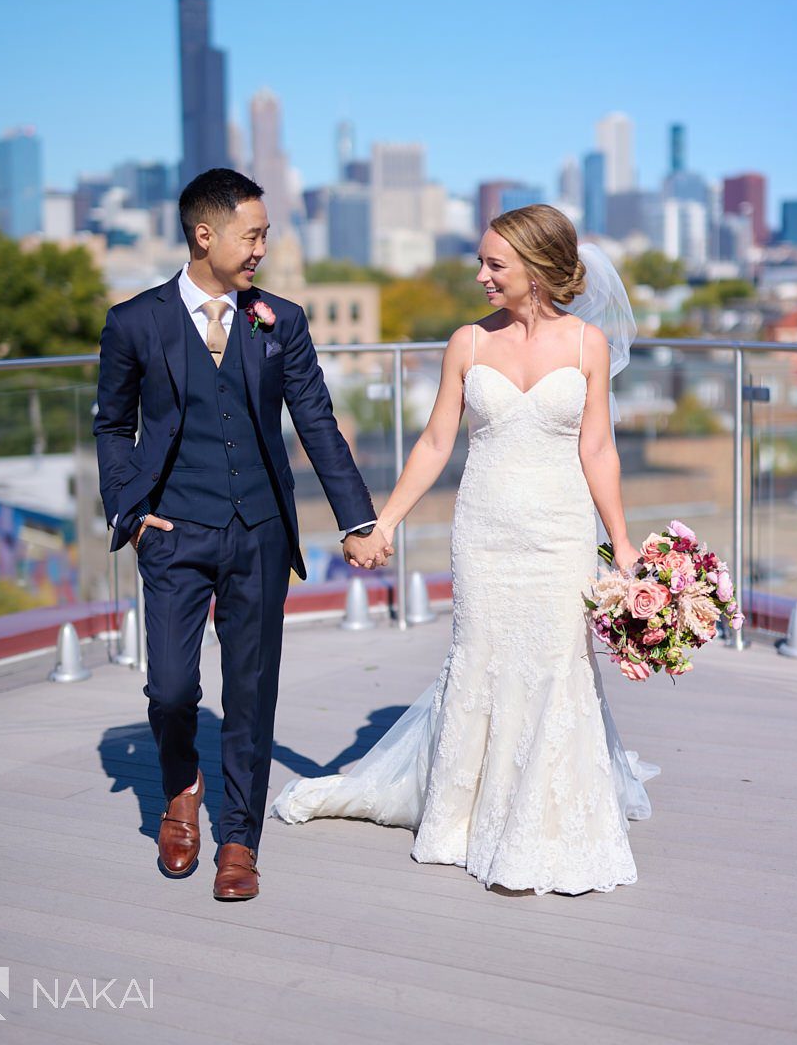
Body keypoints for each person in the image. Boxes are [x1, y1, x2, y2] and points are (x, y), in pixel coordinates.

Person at [272, 204, 659, 895]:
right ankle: (465, 815)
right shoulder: (466, 344)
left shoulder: (587, 346)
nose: (481, 276)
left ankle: (539, 825)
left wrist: (622, 544)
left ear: (536, 271)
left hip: (560, 535)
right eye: (482, 262)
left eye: (494, 265)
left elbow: (597, 448)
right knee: (482, 659)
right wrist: (383, 522)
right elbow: (434, 444)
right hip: (484, 533)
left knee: (553, 667)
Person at [94, 168, 391, 901]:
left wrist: (358, 520)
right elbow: (111, 425)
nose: (262, 247)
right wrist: (131, 511)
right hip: (172, 532)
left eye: (264, 234)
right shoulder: (135, 322)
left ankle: (239, 841)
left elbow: (316, 422)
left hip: (258, 531)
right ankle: (180, 785)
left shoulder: (279, 320)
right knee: (170, 688)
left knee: (251, 693)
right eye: (251, 234)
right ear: (205, 235)